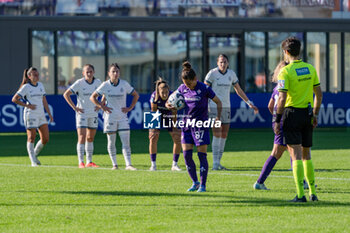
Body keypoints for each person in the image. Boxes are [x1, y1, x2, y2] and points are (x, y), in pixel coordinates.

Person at [274, 37, 322, 202]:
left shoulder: (285, 72)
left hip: (291, 114)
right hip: (307, 114)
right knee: (307, 155)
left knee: (295, 155)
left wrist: (276, 119)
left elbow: (281, 99)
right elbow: (319, 94)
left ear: (286, 52)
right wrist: (315, 114)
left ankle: (301, 195)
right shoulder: (310, 68)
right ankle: (313, 193)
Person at [168, 61, 222, 192]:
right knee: (186, 155)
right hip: (187, 126)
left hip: (200, 125)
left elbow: (218, 102)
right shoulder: (182, 88)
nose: (188, 86)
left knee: (201, 155)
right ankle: (195, 182)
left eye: (190, 83)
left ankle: (203, 185)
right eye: (186, 84)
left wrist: (218, 117)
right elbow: (169, 100)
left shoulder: (204, 88)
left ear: (195, 79)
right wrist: (170, 105)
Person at [204, 54, 258, 170]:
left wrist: (249, 102)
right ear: (217, 63)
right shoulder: (212, 74)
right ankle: (214, 163)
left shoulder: (231, 74)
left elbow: (238, 90)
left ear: (228, 63)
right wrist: (205, 105)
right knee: (217, 133)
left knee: (224, 134)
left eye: (225, 62)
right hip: (214, 107)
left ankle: (218, 163)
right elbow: (205, 90)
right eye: (221, 62)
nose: (223, 64)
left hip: (226, 107)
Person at [90, 63, 139, 170]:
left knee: (126, 142)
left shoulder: (124, 84)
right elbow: (93, 97)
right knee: (111, 142)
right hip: (110, 118)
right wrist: (102, 107)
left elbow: (136, 95)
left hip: (122, 117)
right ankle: (114, 165)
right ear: (109, 73)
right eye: (113, 71)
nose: (115, 73)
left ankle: (128, 165)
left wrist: (130, 108)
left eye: (117, 71)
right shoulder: (105, 85)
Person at [253, 61, 288, 190]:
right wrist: (279, 118)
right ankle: (259, 182)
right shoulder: (285, 87)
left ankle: (302, 181)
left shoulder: (276, 87)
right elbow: (279, 103)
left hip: (279, 121)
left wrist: (274, 117)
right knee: (276, 153)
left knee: (294, 150)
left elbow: (270, 105)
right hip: (284, 122)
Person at [12, 67, 54, 166]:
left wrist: (49, 113)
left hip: (41, 114)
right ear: (29, 76)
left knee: (45, 138)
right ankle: (33, 161)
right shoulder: (26, 87)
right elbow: (14, 99)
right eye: (34, 75)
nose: (37, 76)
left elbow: (44, 100)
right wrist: (27, 105)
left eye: (38, 74)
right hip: (30, 114)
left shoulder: (40, 85)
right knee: (31, 137)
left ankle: (34, 155)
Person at [63, 64, 101, 168]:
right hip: (82, 113)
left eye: (91, 71)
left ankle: (89, 161)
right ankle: (81, 162)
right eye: (87, 72)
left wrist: (101, 105)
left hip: (93, 114)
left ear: (94, 72)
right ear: (83, 73)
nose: (89, 73)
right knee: (82, 136)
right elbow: (66, 94)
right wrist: (74, 107)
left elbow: (105, 93)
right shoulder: (79, 83)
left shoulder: (98, 82)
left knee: (90, 137)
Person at [149, 78, 182, 171]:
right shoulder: (154, 97)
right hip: (156, 115)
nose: (164, 95)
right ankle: (153, 165)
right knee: (153, 138)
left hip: (169, 115)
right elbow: (153, 112)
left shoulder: (173, 96)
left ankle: (174, 165)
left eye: (166, 92)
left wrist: (174, 127)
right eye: (162, 92)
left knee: (177, 138)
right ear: (158, 92)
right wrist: (153, 128)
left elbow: (174, 114)